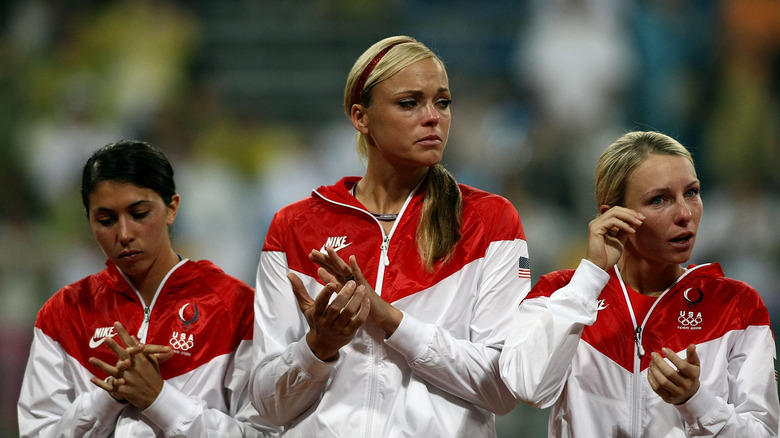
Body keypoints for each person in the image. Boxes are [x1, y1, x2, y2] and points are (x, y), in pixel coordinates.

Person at [249, 35, 531, 437]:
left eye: (443, 102)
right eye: (409, 103)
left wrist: (391, 320)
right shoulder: (294, 226)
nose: (433, 116)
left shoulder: (490, 221)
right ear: (361, 117)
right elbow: (266, 408)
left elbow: (503, 389)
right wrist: (318, 347)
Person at [499, 131, 780, 437]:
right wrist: (590, 277)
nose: (685, 214)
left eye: (691, 192)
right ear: (614, 217)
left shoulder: (736, 307)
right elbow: (527, 387)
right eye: (659, 200)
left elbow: (764, 432)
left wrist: (696, 401)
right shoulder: (560, 293)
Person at [18, 140, 276, 437]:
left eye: (139, 214)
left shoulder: (236, 308)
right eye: (106, 220)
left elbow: (262, 433)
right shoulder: (62, 314)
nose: (124, 234)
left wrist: (160, 400)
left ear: (171, 209)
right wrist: (108, 397)